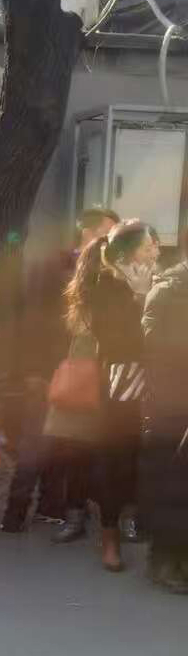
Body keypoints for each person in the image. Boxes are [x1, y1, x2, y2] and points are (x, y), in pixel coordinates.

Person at [2, 206, 119, 536]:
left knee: (66, 441)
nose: (111, 240)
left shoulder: (104, 272)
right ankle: (14, 514)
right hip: (47, 368)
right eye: (108, 233)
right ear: (88, 231)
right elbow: (30, 320)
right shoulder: (53, 266)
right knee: (36, 441)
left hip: (82, 371)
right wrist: (31, 369)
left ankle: (51, 508)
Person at [50, 220, 154, 572]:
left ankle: (131, 522)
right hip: (120, 384)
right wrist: (140, 297)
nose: (155, 252)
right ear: (129, 252)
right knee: (116, 460)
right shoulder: (106, 285)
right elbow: (118, 341)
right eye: (149, 246)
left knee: (140, 460)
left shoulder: (156, 280)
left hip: (156, 382)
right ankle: (109, 538)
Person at [141, 236, 188, 592]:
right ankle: (163, 561)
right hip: (172, 405)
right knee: (173, 486)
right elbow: (152, 344)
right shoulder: (168, 289)